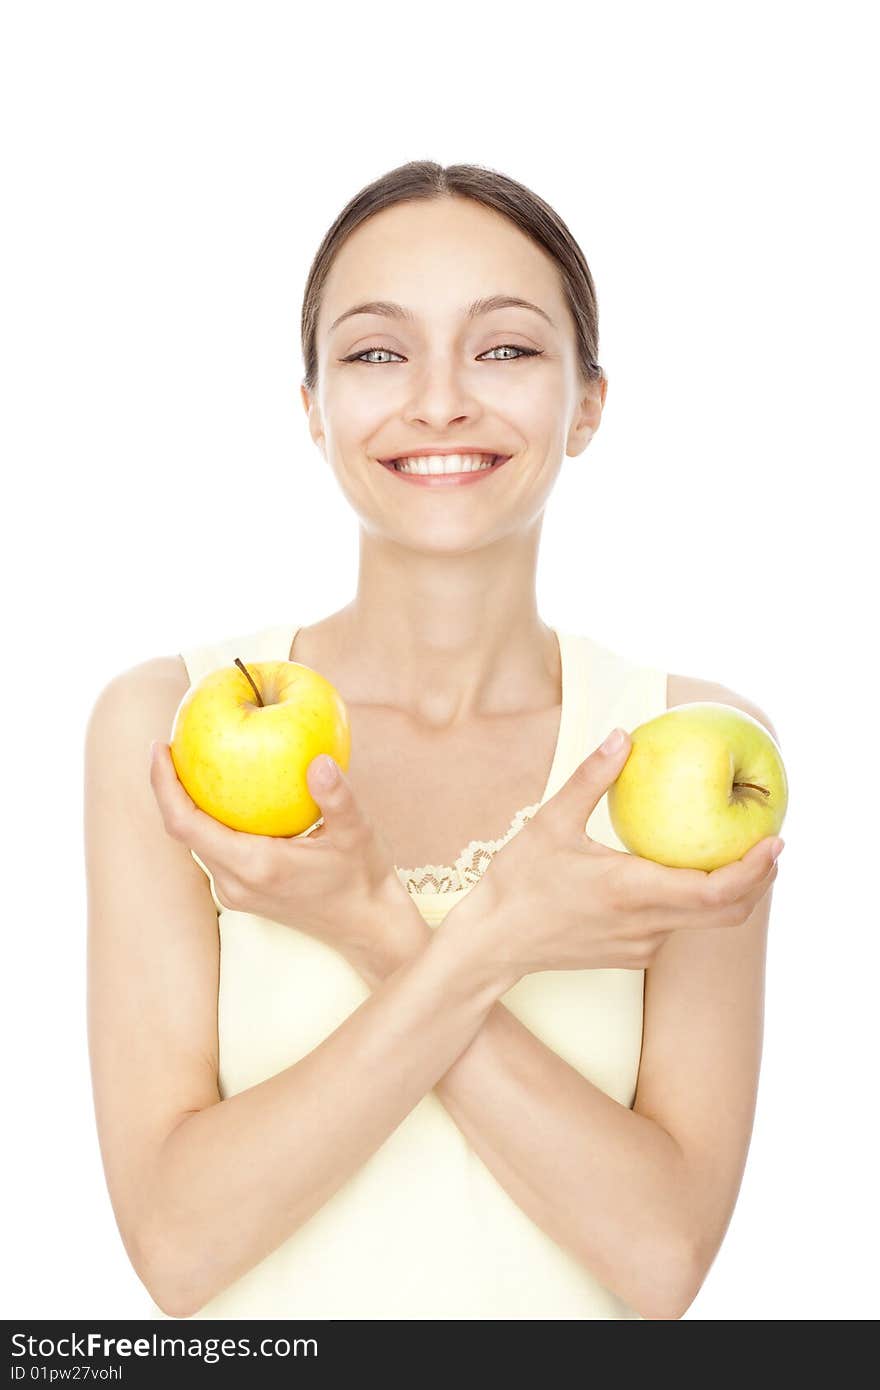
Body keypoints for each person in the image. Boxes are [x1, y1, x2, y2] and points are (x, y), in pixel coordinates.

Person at [84, 159, 784, 1322]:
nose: (441, 400)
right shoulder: (162, 727)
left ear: (589, 401)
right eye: (375, 352)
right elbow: (177, 1245)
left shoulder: (679, 744)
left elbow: (660, 1260)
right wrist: (495, 940)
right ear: (312, 405)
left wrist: (375, 926)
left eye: (504, 348)